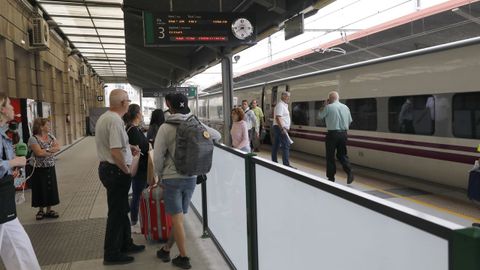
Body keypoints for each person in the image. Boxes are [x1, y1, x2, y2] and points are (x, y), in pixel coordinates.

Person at [154, 93, 220, 269]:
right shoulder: (195, 123)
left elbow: (158, 157)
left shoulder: (165, 127)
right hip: (191, 177)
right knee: (180, 219)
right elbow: (216, 135)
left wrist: (159, 176)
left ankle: (183, 257)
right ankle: (166, 249)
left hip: (172, 179)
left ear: (169, 105)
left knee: (177, 220)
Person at [95, 89, 145, 265]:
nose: (129, 104)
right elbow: (115, 151)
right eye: (128, 101)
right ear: (124, 103)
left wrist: (128, 146)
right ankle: (112, 253)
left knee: (122, 209)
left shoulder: (106, 117)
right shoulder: (115, 121)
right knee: (117, 213)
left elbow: (115, 145)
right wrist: (126, 169)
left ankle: (126, 243)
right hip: (115, 171)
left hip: (108, 169)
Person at [0, 93, 41, 270]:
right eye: (9, 105)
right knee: (20, 252)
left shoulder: (4, 134)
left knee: (20, 251)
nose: (12, 108)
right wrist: (14, 162)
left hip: (5, 202)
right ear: (1, 109)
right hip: (2, 207)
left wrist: (10, 172)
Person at [318, 91, 354, 184]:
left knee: (330, 156)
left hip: (332, 134)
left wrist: (324, 106)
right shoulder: (346, 107)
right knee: (342, 154)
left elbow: (319, 116)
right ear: (338, 98)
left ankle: (331, 178)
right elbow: (350, 121)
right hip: (344, 134)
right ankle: (350, 172)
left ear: (329, 99)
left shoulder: (328, 107)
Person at [28, 118, 61, 220]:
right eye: (47, 124)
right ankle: (41, 210)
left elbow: (58, 147)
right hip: (38, 168)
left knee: (50, 188)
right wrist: (50, 150)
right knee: (40, 188)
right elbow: (38, 153)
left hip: (50, 166)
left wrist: (45, 150)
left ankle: (49, 210)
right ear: (41, 127)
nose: (49, 126)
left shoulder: (51, 136)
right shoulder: (33, 139)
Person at [123, 104, 149, 230]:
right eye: (141, 111)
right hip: (138, 168)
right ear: (137, 114)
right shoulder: (132, 130)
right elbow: (136, 149)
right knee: (137, 194)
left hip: (142, 167)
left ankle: (137, 219)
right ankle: (134, 222)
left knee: (138, 193)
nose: (142, 114)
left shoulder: (134, 128)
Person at [271, 91, 293, 167]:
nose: (289, 98)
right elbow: (278, 117)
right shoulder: (280, 105)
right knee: (286, 145)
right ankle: (286, 165)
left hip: (278, 127)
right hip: (279, 127)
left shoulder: (283, 105)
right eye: (287, 96)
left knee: (276, 145)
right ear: (283, 96)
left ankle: (274, 161)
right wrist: (283, 128)